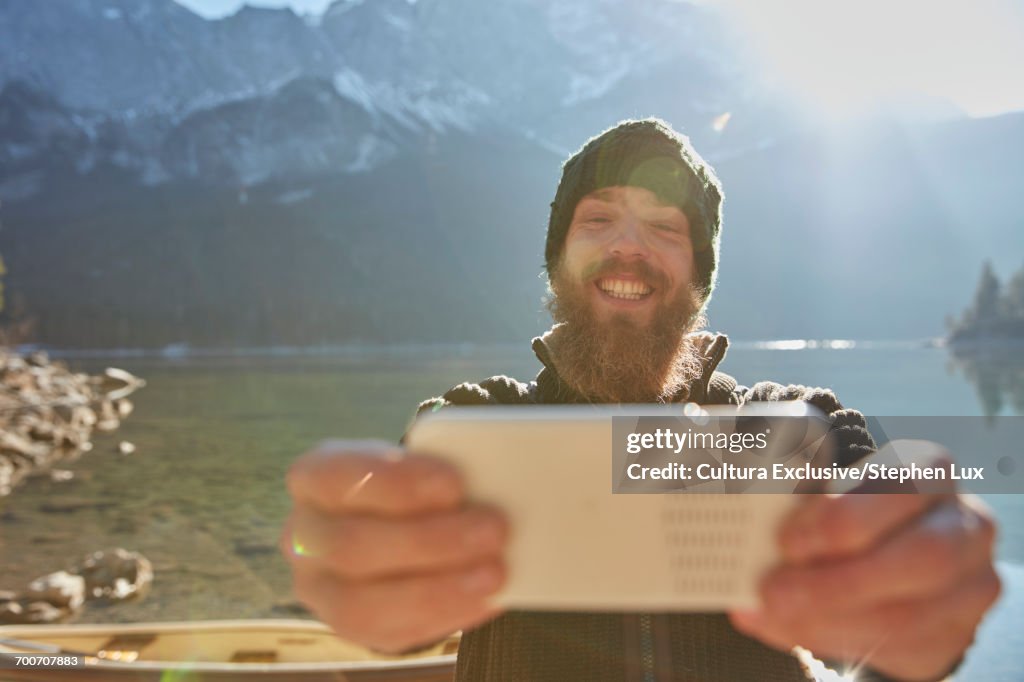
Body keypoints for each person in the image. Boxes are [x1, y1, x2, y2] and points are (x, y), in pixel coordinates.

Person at [280, 119, 1000, 681]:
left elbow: (876, 581)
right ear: (559, 260)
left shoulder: (791, 425)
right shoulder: (472, 425)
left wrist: (917, 597)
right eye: (597, 220)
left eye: (664, 228)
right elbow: (378, 583)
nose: (629, 247)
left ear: (698, 278)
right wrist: (331, 553)